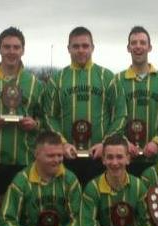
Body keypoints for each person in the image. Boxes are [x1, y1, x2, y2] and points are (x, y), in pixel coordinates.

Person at [0, 27, 44, 214]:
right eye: (7, 47)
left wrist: (35, 124)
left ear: (23, 50)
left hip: (24, 160)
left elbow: (46, 120)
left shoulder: (35, 83)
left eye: (16, 47)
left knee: (21, 212)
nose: (11, 51)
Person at [44, 26, 127, 185]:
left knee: (99, 202)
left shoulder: (107, 77)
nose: (80, 50)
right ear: (68, 49)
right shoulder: (57, 79)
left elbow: (120, 115)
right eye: (76, 46)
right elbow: (49, 116)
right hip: (66, 156)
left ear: (92, 47)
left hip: (100, 157)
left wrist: (105, 143)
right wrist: (62, 143)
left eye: (85, 46)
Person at [115, 26, 158, 176]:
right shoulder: (117, 81)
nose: (138, 46)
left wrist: (156, 141)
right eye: (134, 43)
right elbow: (112, 118)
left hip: (156, 156)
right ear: (128, 48)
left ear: (149, 47)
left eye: (142, 43)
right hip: (124, 157)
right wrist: (123, 141)